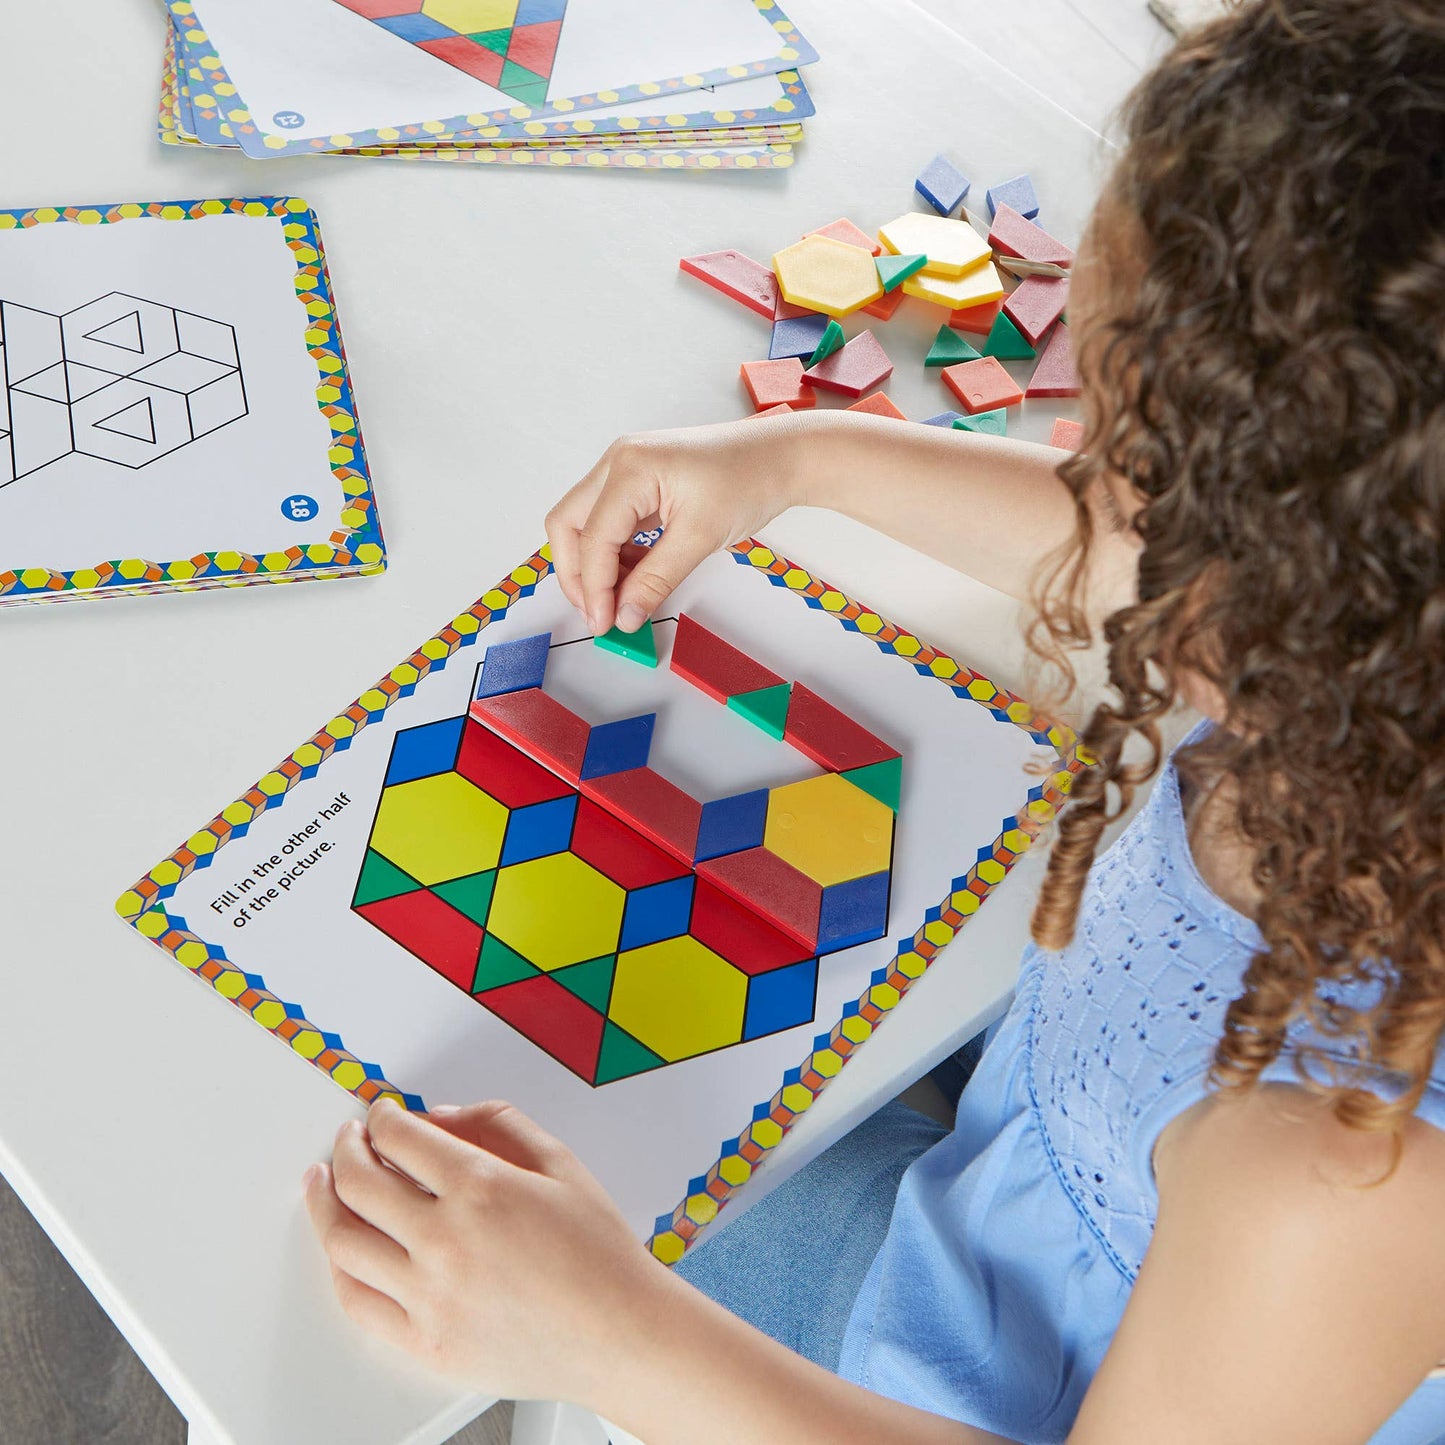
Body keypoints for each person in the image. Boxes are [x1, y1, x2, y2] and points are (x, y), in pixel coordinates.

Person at [301, 1, 1445, 1439]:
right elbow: (1132, 559)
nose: (1087, 481)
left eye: (1126, 451)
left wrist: (609, 1333)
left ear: (1293, 589)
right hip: (1019, 1172)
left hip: (1013, 1382)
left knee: (484, 1221)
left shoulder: (1342, 1180)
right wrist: (802, 458)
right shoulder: (1367, 686)